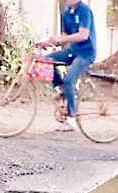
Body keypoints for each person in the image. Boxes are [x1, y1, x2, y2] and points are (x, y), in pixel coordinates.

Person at [37, 0, 97, 131]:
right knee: (47, 61)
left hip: (86, 53)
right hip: (73, 50)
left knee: (69, 79)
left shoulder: (84, 10)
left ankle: (71, 118)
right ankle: (64, 91)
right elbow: (64, 38)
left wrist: (61, 39)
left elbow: (83, 35)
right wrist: (47, 43)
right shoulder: (66, 13)